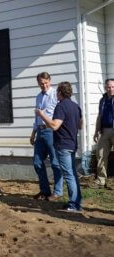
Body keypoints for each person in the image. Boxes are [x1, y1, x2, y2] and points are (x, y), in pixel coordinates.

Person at [37, 81, 83, 211]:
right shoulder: (76, 106)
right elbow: (81, 125)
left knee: (69, 175)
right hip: (72, 143)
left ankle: (74, 204)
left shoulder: (61, 106)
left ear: (60, 93)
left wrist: (41, 115)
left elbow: (54, 125)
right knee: (72, 173)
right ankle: (77, 201)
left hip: (63, 144)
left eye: (57, 91)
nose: (56, 94)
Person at [30, 72, 63, 201]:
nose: (44, 85)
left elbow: (61, 113)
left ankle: (57, 192)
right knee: (37, 162)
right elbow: (37, 116)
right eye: (41, 83)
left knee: (55, 163)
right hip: (40, 131)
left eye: (46, 82)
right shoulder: (38, 97)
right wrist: (33, 133)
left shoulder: (56, 94)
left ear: (50, 81)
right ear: (38, 83)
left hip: (52, 131)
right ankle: (44, 191)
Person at [93, 79, 114, 190]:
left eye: (112, 87)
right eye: (108, 87)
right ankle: (101, 180)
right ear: (106, 88)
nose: (110, 89)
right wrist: (96, 131)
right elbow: (99, 116)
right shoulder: (103, 100)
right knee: (100, 154)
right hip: (105, 131)